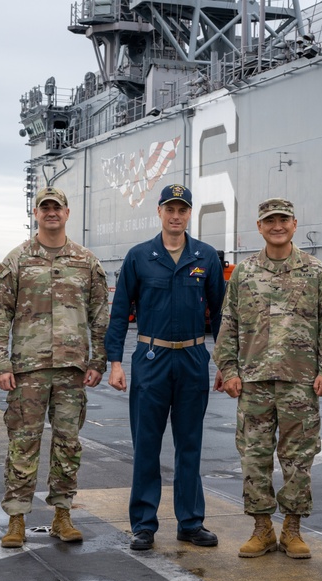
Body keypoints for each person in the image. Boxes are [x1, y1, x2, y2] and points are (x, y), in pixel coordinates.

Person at [213, 197, 322, 559]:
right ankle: (262, 528)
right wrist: (229, 370)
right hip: (252, 381)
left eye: (283, 220)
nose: (277, 226)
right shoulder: (245, 273)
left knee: (298, 458)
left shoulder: (315, 272)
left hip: (300, 382)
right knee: (254, 456)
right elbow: (229, 325)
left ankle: (293, 530)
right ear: (260, 227)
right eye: (270, 221)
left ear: (294, 224)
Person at [106, 184, 226, 551]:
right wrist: (115, 363)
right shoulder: (140, 256)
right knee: (146, 445)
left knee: (190, 444)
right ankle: (143, 523)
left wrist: (225, 362)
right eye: (170, 209)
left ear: (189, 214)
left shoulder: (205, 257)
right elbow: (119, 312)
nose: (176, 216)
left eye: (183, 210)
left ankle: (190, 522)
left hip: (192, 359)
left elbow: (222, 314)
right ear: (159, 211)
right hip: (151, 359)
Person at [0, 186, 110, 548]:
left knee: (67, 444)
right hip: (28, 369)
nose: (51, 213)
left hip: (72, 369)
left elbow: (100, 315)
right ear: (36, 214)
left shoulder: (86, 262)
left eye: (57, 208)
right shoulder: (17, 260)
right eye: (45, 208)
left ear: (67, 213)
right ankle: (16, 518)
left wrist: (98, 360)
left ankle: (62, 514)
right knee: (22, 443)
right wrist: (1, 363)